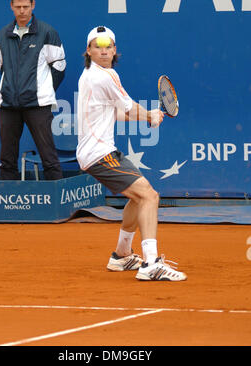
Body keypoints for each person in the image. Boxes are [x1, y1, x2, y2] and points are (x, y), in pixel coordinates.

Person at [76, 26, 187, 281]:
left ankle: (122, 256)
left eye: (108, 47)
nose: (103, 51)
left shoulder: (89, 75)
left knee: (138, 198)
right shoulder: (106, 76)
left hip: (98, 151)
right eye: (97, 46)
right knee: (149, 196)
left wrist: (147, 117)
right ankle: (150, 264)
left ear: (114, 50)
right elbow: (130, 107)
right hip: (99, 153)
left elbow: (116, 113)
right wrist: (149, 115)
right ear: (89, 51)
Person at [0, 0, 66, 181]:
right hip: (8, 104)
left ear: (33, 5)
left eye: (26, 6)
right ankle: (7, 204)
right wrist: (13, 88)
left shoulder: (47, 32)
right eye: (18, 7)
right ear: (11, 6)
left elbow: (59, 67)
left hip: (38, 104)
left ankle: (58, 207)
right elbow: (3, 67)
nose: (22, 11)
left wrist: (42, 90)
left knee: (49, 157)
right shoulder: (2, 35)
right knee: (7, 159)